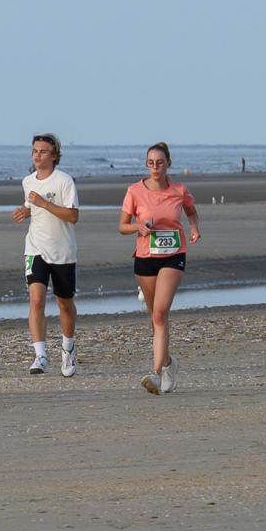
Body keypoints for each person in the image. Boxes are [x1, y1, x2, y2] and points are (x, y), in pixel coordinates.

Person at [119, 143, 200, 395]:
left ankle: (154, 374)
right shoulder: (134, 191)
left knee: (160, 313)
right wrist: (139, 226)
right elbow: (123, 226)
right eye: (151, 162)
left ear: (168, 164)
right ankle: (168, 364)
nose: (155, 167)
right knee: (155, 318)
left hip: (173, 255)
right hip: (145, 257)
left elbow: (191, 211)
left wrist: (194, 228)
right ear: (146, 165)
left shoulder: (179, 190)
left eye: (160, 162)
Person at [12, 133, 80, 377]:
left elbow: (73, 216)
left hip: (62, 251)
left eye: (42, 151)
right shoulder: (28, 181)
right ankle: (40, 355)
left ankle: (68, 347)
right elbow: (32, 206)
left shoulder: (64, 181)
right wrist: (25, 211)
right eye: (34, 151)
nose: (37, 155)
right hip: (35, 247)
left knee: (64, 304)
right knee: (36, 300)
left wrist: (43, 203)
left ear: (54, 155)